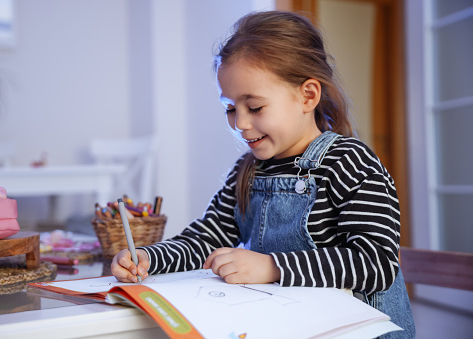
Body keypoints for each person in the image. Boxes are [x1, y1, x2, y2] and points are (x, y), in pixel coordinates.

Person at [112, 10, 415, 338]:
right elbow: (206, 238)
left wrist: (271, 266)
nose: (240, 123)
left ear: (307, 96)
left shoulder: (351, 163)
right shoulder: (247, 171)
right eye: (230, 108)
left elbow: (376, 263)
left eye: (254, 107)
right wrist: (147, 257)